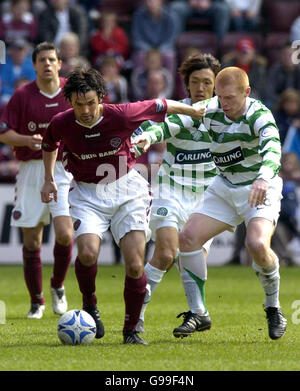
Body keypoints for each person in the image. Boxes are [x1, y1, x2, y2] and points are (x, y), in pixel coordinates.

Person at [40, 67, 207, 345]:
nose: (86, 110)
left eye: (91, 103)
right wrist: (48, 180)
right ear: (69, 101)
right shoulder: (61, 121)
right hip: (87, 194)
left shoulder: (121, 114)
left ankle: (131, 330)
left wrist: (193, 112)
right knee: (88, 254)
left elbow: (161, 104)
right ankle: (90, 304)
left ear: (102, 98)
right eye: (79, 104)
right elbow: (49, 144)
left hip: (128, 191)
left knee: (134, 264)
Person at [177, 66, 287, 340]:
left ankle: (273, 307)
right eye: (219, 96)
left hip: (260, 187)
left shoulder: (260, 114)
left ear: (246, 92)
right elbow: (175, 122)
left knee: (258, 245)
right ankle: (198, 313)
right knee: (188, 237)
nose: (223, 103)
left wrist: (262, 178)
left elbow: (273, 148)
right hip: (224, 187)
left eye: (230, 98)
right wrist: (147, 137)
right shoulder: (211, 108)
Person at [131, 53, 220, 337]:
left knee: (189, 259)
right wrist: (141, 138)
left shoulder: (225, 115)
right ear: (186, 84)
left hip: (208, 198)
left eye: (208, 82)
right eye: (196, 82)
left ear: (216, 85)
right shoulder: (176, 109)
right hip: (171, 190)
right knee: (166, 253)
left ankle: (199, 314)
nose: (202, 88)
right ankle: (136, 316)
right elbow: (152, 126)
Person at [0, 42, 73, 320]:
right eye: (42, 60)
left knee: (66, 234)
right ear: (34, 65)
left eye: (51, 59)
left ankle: (57, 285)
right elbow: (4, 133)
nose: (47, 64)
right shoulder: (22, 96)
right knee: (31, 241)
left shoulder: (70, 92)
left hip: (63, 169)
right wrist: (27, 140)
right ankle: (36, 300)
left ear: (59, 63)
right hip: (31, 168)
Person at [221, 37, 267, 101]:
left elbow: (259, 88)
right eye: (241, 52)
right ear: (236, 53)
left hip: (252, 97)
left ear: (252, 53)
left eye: (246, 53)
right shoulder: (227, 67)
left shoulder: (259, 67)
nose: (243, 56)